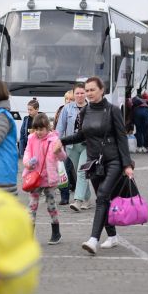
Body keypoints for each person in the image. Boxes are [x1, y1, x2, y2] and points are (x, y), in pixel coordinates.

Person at [52, 77, 133, 255]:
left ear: (102, 90)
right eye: (86, 90)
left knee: (102, 196)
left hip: (113, 161)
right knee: (104, 199)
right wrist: (62, 140)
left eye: (91, 90)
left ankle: (93, 239)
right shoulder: (85, 111)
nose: (88, 93)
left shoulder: (112, 110)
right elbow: (81, 135)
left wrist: (127, 164)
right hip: (94, 162)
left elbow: (121, 138)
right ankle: (112, 236)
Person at [23, 113, 67, 244]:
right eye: (36, 129)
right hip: (35, 177)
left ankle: (56, 232)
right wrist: (27, 163)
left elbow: (63, 157)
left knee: (51, 206)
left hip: (49, 179)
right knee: (32, 206)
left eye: (41, 129)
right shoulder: (31, 138)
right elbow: (26, 153)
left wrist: (58, 150)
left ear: (47, 128)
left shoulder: (54, 140)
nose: (39, 132)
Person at [56, 83, 93, 211]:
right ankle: (87, 199)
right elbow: (60, 128)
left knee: (81, 171)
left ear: (86, 93)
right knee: (79, 173)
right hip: (71, 146)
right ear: (73, 94)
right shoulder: (67, 109)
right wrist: (56, 142)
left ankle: (78, 200)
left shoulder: (92, 108)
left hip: (87, 146)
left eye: (82, 93)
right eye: (77, 93)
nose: (80, 95)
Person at [53, 91, 75, 205]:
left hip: (74, 144)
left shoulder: (76, 111)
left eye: (71, 99)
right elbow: (57, 127)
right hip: (63, 146)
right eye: (67, 99)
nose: (68, 101)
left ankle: (76, 189)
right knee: (63, 171)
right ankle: (64, 196)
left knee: (73, 170)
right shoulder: (60, 110)